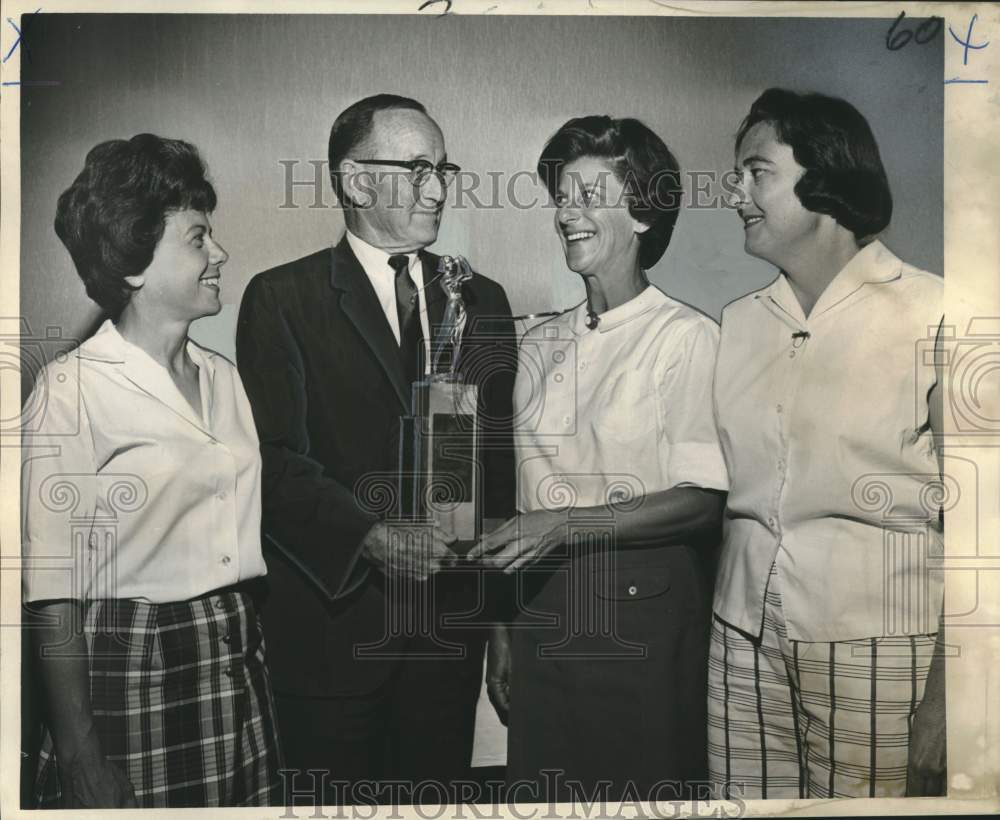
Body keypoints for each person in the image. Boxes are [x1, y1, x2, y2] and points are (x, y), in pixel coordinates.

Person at [235, 94, 516, 801]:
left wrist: (503, 620)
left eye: (442, 167)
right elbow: (271, 461)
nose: (439, 186)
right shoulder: (281, 298)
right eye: (417, 166)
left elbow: (495, 469)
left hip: (449, 642)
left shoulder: (481, 300)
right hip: (330, 642)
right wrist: (368, 536)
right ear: (356, 182)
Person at [469, 115, 729, 801]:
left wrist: (565, 525)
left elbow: (704, 500)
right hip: (540, 617)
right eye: (560, 196)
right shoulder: (536, 344)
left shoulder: (686, 338)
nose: (565, 213)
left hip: (644, 621)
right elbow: (510, 500)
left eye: (588, 194)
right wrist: (501, 632)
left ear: (642, 210)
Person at [22, 134, 282, 808]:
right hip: (133, 664)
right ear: (135, 262)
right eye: (198, 238)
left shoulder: (225, 381)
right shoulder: (70, 389)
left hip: (235, 654)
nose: (220, 252)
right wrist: (79, 754)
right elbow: (52, 593)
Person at [708, 88, 946, 799]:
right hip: (739, 640)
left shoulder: (937, 311)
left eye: (757, 172)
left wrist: (951, 695)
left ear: (826, 178)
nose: (735, 194)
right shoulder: (740, 322)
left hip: (881, 643)